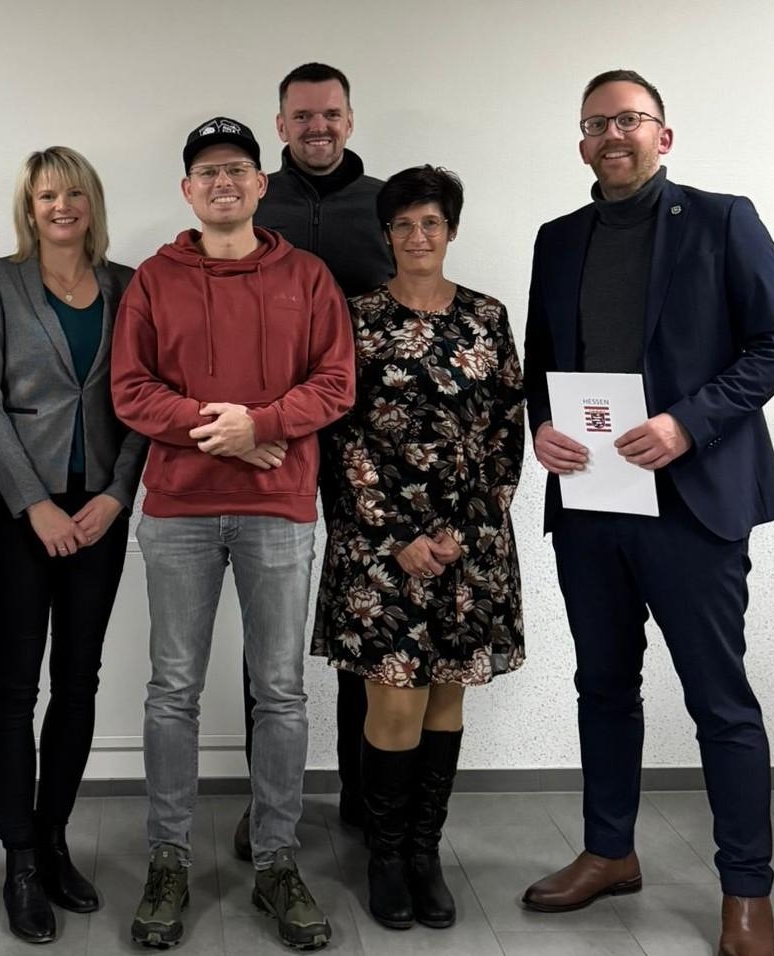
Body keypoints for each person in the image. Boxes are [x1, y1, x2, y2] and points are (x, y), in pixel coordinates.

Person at [521, 69, 774, 956]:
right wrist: (543, 430)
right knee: (601, 687)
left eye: (629, 120)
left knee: (719, 702)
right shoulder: (557, 240)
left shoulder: (722, 220)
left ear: (662, 136)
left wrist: (687, 423)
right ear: (580, 141)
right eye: (596, 122)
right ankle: (609, 851)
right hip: (593, 503)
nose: (612, 135)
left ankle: (745, 891)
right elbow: (541, 365)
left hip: (693, 504)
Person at [112, 116, 355, 951]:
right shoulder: (152, 279)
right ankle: (168, 859)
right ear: (188, 191)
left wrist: (262, 422)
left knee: (279, 691)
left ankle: (277, 862)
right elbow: (130, 390)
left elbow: (335, 382)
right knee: (171, 690)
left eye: (238, 171)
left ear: (261, 185)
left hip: (279, 509)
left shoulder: (309, 276)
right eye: (208, 172)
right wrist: (217, 429)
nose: (223, 183)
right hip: (178, 510)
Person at [312, 164, 525, 931]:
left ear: (450, 231)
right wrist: (396, 537)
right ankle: (383, 853)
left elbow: (506, 433)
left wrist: (460, 534)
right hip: (379, 552)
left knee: (444, 703)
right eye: (402, 225)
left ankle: (424, 853)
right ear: (385, 235)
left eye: (430, 223)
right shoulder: (354, 317)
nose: (416, 237)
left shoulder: (486, 317)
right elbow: (337, 438)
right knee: (392, 704)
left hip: (468, 550)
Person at [0, 146, 146, 944]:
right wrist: (32, 502)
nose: (60, 206)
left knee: (78, 680)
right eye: (45, 196)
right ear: (27, 208)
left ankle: (54, 836)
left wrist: (114, 494)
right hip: (10, 511)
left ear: (90, 203)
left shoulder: (127, 286)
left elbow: (143, 398)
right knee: (14, 685)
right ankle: (17, 861)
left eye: (73, 193)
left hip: (98, 508)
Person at [226, 62, 394, 857]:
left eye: (330, 113)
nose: (316, 127)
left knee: (366, 614)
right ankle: (266, 802)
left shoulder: (386, 205)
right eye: (301, 116)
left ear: (350, 120)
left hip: (375, 443)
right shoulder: (258, 200)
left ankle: (364, 794)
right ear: (280, 124)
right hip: (271, 438)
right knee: (269, 631)